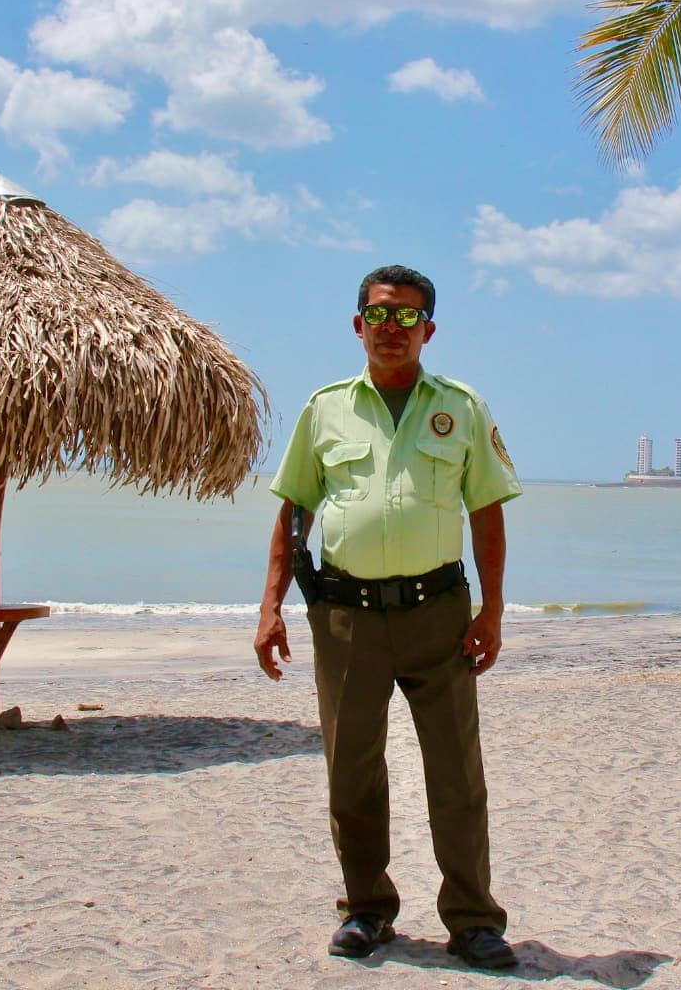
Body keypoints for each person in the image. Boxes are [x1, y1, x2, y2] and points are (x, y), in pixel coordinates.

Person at [255, 265, 522, 970]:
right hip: (346, 621)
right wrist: (270, 606)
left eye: (407, 318)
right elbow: (294, 513)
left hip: (439, 616)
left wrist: (493, 609)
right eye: (379, 315)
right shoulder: (325, 409)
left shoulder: (462, 408)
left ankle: (473, 921)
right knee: (352, 771)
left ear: (428, 330)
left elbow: (487, 513)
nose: (392, 329)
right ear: (358, 324)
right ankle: (367, 910)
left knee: (457, 773)